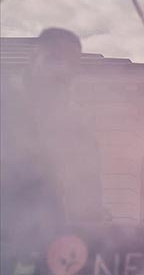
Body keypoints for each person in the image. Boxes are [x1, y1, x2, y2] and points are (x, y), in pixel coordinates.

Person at [1, 28, 102, 274]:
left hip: (50, 243)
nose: (63, 71)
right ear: (34, 57)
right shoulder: (6, 101)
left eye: (72, 64)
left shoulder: (76, 123)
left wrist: (93, 215)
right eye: (55, 58)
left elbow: (90, 187)